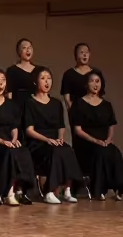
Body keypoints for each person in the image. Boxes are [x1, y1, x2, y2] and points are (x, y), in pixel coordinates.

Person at [0, 68, 37, 205]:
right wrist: (3, 142)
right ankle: (9, 192)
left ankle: (21, 189)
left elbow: (14, 127)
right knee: (9, 152)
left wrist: (14, 140)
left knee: (22, 151)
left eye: (3, 80)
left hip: (8, 140)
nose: (1, 83)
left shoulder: (11, 104)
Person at [24, 68, 82, 205]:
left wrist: (60, 138)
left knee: (67, 149)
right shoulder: (29, 103)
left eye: (49, 78)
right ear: (35, 81)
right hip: (37, 142)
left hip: (54, 141)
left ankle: (67, 189)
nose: (46, 81)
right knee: (55, 152)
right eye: (43, 78)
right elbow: (29, 130)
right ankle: (50, 191)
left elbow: (61, 126)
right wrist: (47, 140)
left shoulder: (56, 103)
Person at [70, 71, 123, 200]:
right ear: (86, 84)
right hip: (86, 141)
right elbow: (78, 130)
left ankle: (118, 188)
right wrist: (96, 141)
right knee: (100, 152)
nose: (95, 84)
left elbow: (111, 125)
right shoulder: (79, 103)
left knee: (115, 152)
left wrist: (108, 139)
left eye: (98, 81)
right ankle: (100, 189)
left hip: (103, 141)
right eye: (92, 81)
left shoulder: (107, 105)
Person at [61, 43, 106, 110]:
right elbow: (67, 98)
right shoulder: (69, 74)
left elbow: (100, 95)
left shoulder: (96, 73)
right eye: (81, 52)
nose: (85, 55)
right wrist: (74, 112)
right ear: (76, 55)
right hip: (77, 112)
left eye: (86, 52)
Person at [5, 39, 38, 111]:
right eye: (24, 48)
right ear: (19, 51)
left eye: (30, 47)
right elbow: (9, 93)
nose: (28, 50)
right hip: (19, 107)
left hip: (36, 107)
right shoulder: (12, 70)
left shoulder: (39, 70)